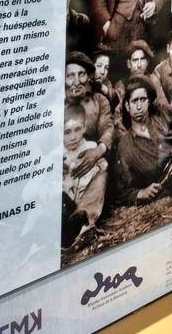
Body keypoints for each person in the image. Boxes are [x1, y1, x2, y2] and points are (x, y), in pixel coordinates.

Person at [114, 75, 172, 206]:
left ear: (149, 101)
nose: (139, 106)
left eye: (143, 99)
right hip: (166, 189)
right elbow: (121, 191)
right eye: (134, 101)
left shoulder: (162, 114)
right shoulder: (125, 146)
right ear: (127, 106)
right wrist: (141, 193)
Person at [63, 53, 115, 198]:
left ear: (89, 77)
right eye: (71, 76)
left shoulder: (99, 101)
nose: (77, 81)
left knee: (101, 178)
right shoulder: (57, 106)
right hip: (66, 167)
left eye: (82, 74)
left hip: (94, 163)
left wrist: (98, 151)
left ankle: (84, 214)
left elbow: (108, 128)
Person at [62, 105, 108, 247]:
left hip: (86, 198)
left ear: (84, 127)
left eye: (77, 130)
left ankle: (83, 219)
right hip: (67, 200)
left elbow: (104, 165)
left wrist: (96, 165)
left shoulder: (91, 148)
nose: (73, 137)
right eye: (67, 132)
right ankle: (66, 229)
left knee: (102, 178)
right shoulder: (57, 154)